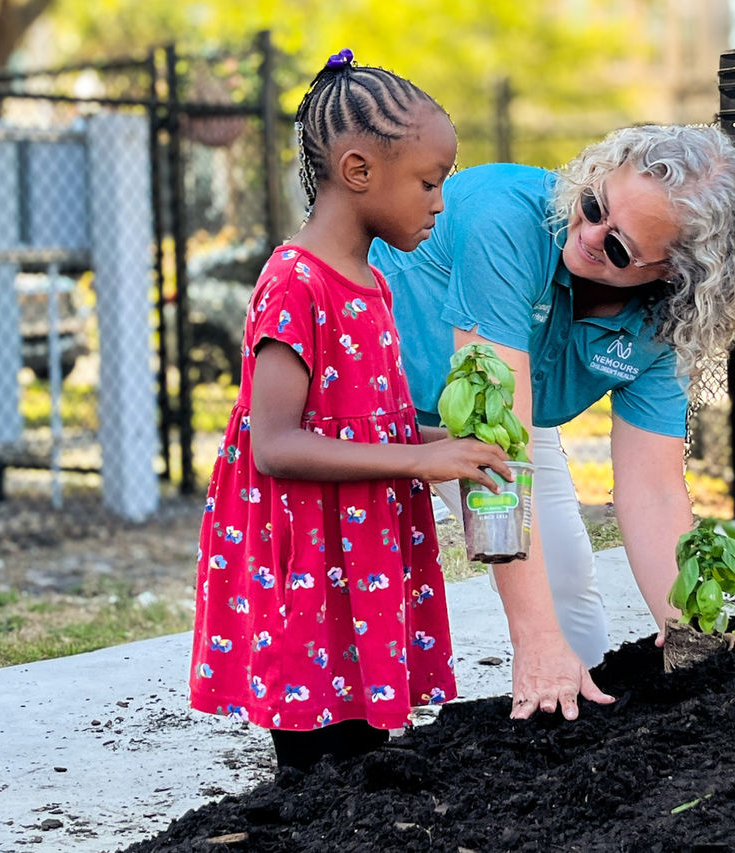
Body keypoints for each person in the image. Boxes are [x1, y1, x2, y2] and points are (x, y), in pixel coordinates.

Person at [370, 123, 735, 721]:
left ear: (676, 275)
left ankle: (570, 721)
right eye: (593, 205)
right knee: (363, 599)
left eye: (619, 249)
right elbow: (493, 442)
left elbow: (655, 490)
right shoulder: (504, 219)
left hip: (502, 422)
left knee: (568, 591)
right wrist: (532, 639)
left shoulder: (668, 322)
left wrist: (697, 637)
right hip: (368, 405)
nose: (587, 235)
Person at [188, 48, 511, 772]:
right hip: (308, 563)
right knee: (316, 768)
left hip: (360, 559)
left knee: (363, 760)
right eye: (430, 182)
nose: (439, 202)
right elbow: (274, 445)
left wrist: (447, 441)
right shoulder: (295, 281)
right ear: (359, 171)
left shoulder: (373, 283)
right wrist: (419, 459)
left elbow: (369, 423)